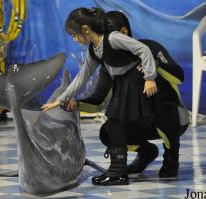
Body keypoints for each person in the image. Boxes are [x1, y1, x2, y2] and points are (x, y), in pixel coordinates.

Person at [64, 10, 189, 179]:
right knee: (109, 130)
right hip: (140, 120)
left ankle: (171, 157)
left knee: (165, 111)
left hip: (171, 118)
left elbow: (179, 76)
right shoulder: (111, 63)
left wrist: (154, 66)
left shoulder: (149, 47)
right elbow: (98, 100)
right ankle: (145, 152)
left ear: (122, 33)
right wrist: (76, 104)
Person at [42, 7, 158, 186]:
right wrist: (60, 99)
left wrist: (150, 78)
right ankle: (122, 166)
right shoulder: (93, 50)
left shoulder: (113, 38)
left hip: (134, 82)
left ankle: (118, 172)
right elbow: (83, 76)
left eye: (74, 34)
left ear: (86, 30)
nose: (74, 39)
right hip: (121, 83)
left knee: (116, 124)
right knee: (113, 125)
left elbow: (144, 50)